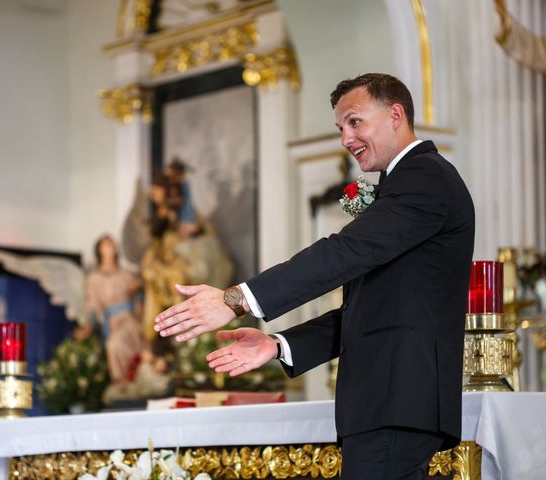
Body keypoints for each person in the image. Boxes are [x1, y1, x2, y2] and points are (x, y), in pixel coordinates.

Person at [153, 73, 475, 479]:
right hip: (387, 401)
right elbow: (374, 309)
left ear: (396, 114)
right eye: (341, 127)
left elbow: (343, 251)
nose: (345, 137)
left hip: (396, 398)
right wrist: (278, 345)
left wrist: (235, 300)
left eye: (355, 121)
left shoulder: (425, 177)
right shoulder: (406, 183)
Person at [81, 234, 146, 391]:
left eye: (112, 244)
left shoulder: (126, 275)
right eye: (106, 245)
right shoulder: (94, 279)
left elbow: (140, 301)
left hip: (129, 320)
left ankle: (127, 381)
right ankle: (122, 382)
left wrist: (136, 292)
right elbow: (93, 306)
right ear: (99, 251)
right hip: (111, 323)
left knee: (115, 344)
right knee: (113, 345)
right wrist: (88, 326)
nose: (110, 247)